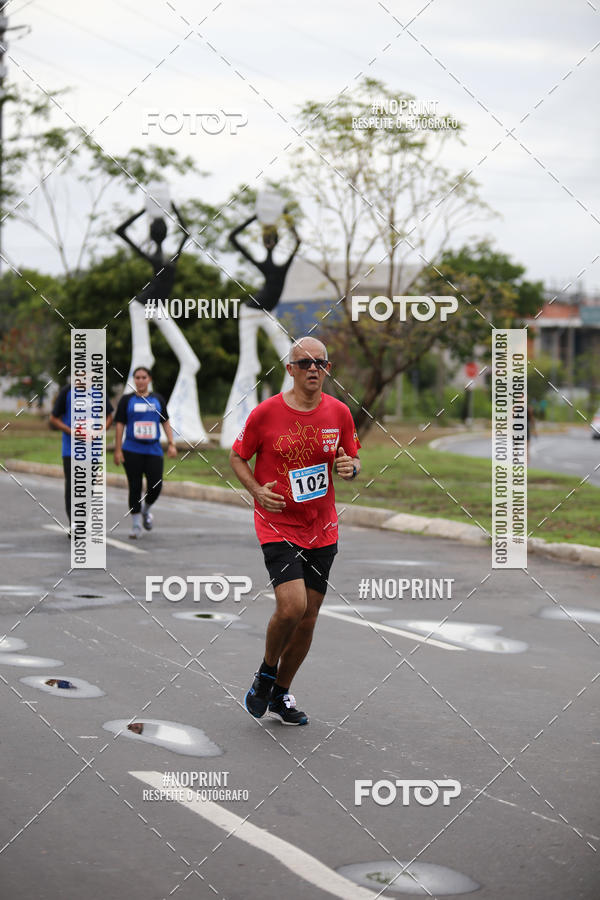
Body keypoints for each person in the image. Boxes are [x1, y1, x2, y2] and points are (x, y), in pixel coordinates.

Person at [230, 336, 361, 725]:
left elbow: (352, 460)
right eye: (304, 363)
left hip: (322, 527)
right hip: (277, 523)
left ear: (328, 369)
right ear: (290, 369)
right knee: (292, 606)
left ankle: (281, 694)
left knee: (309, 617)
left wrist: (350, 468)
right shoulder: (266, 413)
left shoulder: (339, 413)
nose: (313, 370)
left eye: (320, 363)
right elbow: (238, 456)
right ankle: (266, 672)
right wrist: (255, 490)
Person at [113, 366, 177, 539]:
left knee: (155, 485)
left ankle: (146, 510)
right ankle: (135, 526)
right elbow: (120, 425)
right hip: (132, 449)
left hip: (153, 449)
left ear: (149, 380)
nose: (140, 380)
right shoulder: (127, 400)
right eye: (137, 377)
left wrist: (171, 443)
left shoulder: (158, 400)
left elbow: (165, 421)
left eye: (143, 377)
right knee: (134, 486)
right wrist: (118, 450)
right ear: (134, 380)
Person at [49, 381, 114, 535]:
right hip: (71, 450)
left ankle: (82, 522)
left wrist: (100, 430)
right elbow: (53, 418)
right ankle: (75, 523)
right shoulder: (67, 391)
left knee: (89, 487)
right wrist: (70, 431)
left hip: (93, 450)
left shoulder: (98, 392)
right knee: (73, 486)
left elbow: (109, 416)